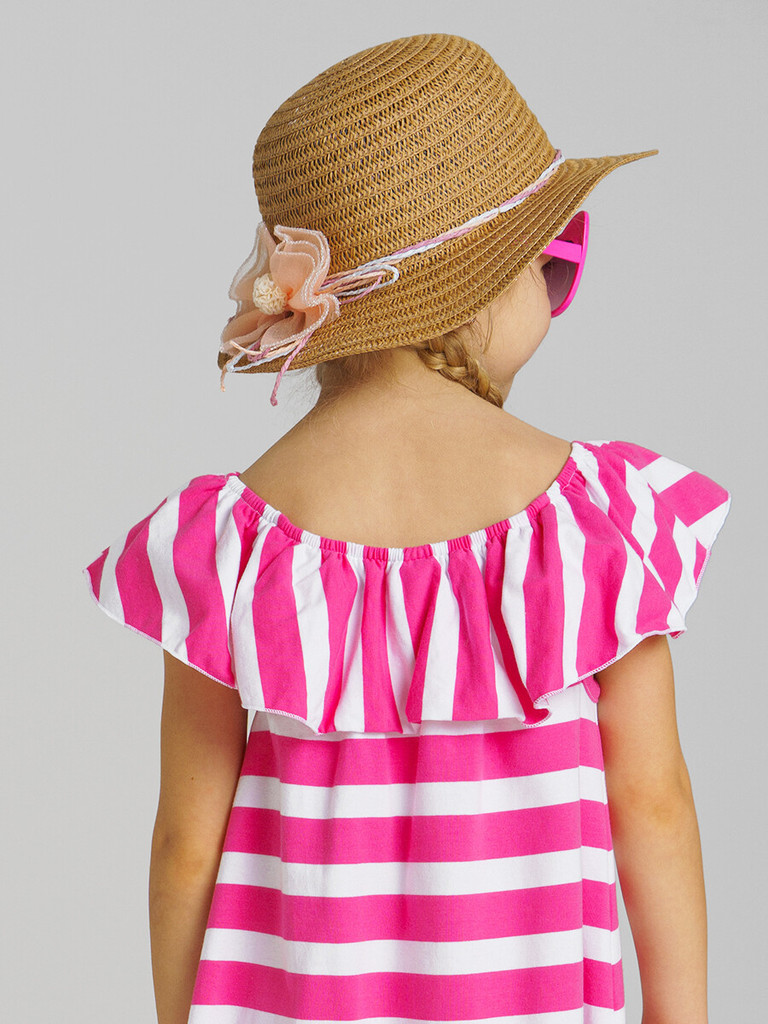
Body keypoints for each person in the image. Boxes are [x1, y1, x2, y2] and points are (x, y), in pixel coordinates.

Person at [82, 32, 732, 1024]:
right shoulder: (598, 518)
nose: (556, 282)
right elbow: (653, 803)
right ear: (486, 281)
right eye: (554, 260)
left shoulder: (230, 542)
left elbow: (185, 846)